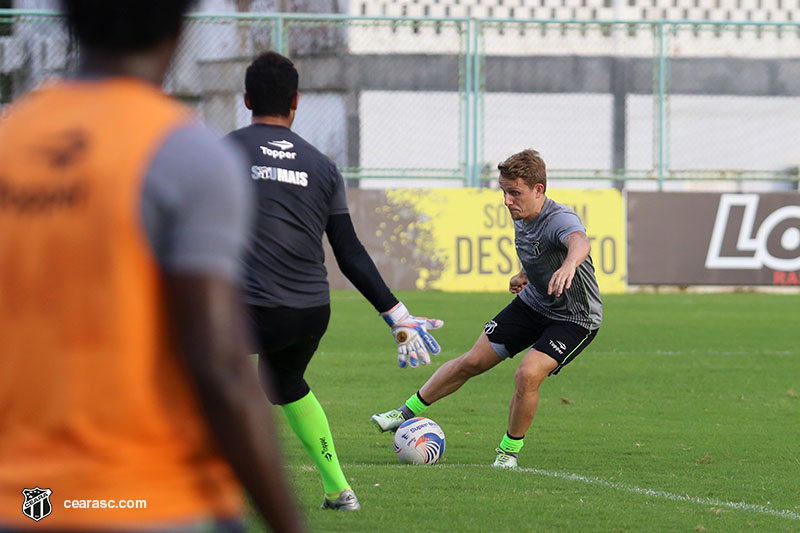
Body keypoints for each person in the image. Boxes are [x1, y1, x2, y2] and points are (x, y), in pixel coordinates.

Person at [0, 2, 304, 532]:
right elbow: (218, 365)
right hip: (147, 499)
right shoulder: (185, 152)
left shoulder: (14, 137)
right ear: (180, 25)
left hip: (27, 501)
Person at [225, 51, 443, 511]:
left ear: (246, 99)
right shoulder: (321, 166)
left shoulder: (223, 151)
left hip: (247, 307)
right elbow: (349, 252)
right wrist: (396, 315)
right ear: (296, 102)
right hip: (308, 311)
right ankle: (338, 490)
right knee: (282, 383)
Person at [371, 149, 602, 468]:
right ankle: (403, 413)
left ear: (538, 190)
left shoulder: (559, 218)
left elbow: (579, 241)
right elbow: (537, 252)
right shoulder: (522, 215)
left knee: (527, 373)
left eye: (515, 193)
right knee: (471, 361)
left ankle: (508, 453)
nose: (507, 201)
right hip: (534, 301)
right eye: (505, 192)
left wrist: (569, 266)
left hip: (574, 318)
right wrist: (525, 274)